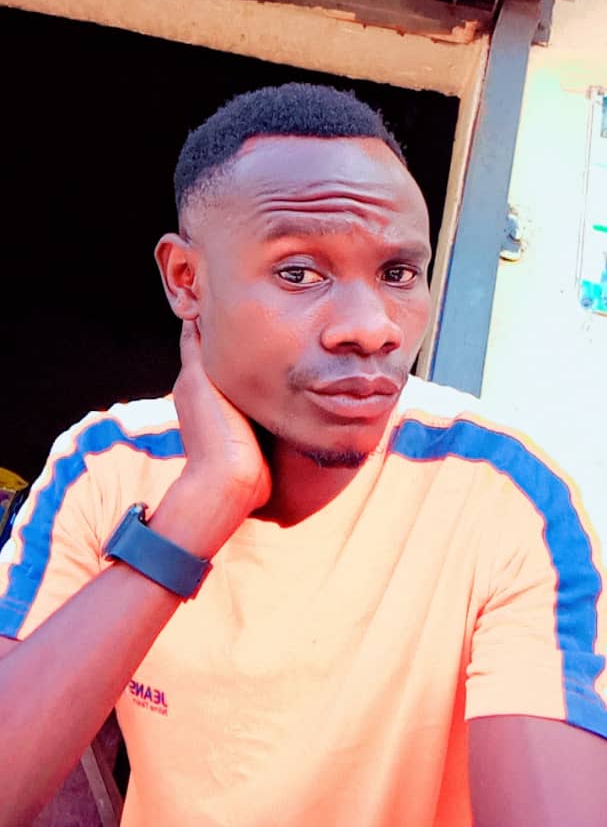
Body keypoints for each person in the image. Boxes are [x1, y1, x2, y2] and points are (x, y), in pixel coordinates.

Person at [0, 83, 605, 826]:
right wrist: (204, 501)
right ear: (186, 280)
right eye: (299, 272)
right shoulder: (105, 466)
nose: (373, 328)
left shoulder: (504, 495)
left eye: (397, 274)